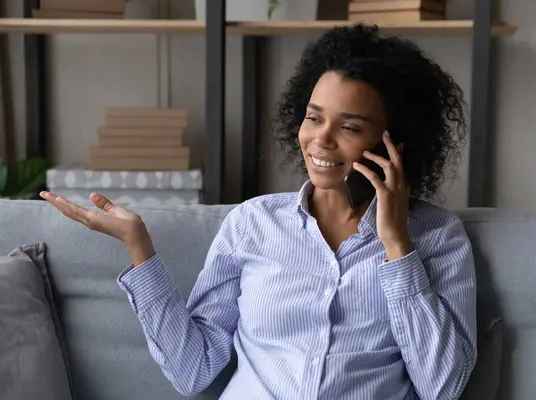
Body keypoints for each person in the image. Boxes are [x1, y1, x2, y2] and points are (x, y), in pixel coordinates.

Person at [41, 23, 477, 400]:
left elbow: (442, 387)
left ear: (394, 144)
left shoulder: (437, 236)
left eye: (348, 127)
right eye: (313, 118)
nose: (320, 140)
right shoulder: (253, 224)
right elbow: (194, 369)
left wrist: (397, 245)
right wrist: (139, 247)